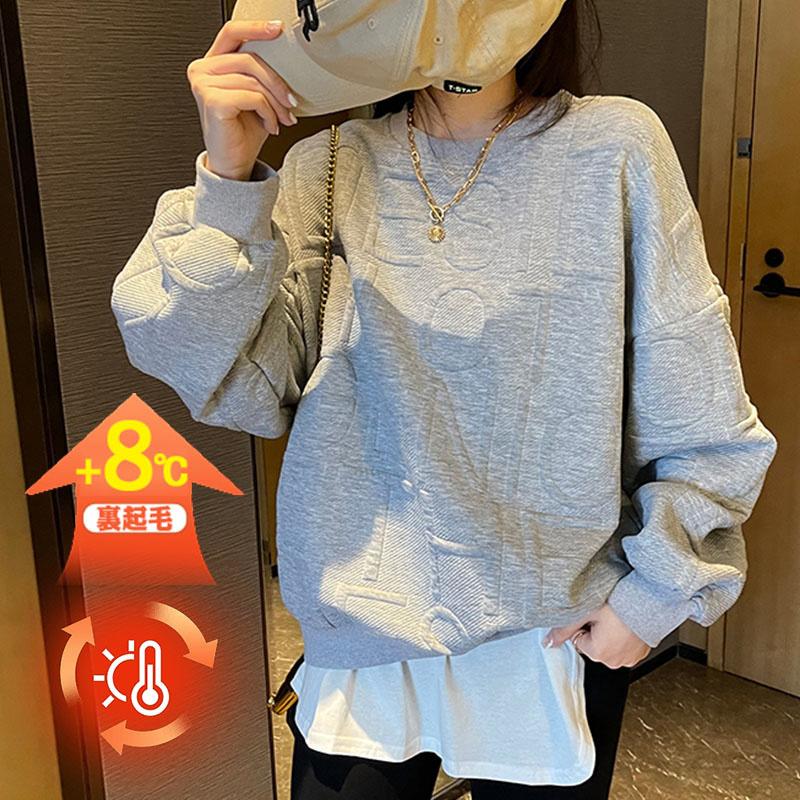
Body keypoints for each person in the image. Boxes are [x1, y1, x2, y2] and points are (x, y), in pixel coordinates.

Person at [110, 2, 778, 798]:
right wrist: (226, 182)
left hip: (550, 633)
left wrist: (654, 596)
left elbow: (698, 398)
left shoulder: (614, 147)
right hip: (363, 629)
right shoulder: (331, 167)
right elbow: (224, 373)